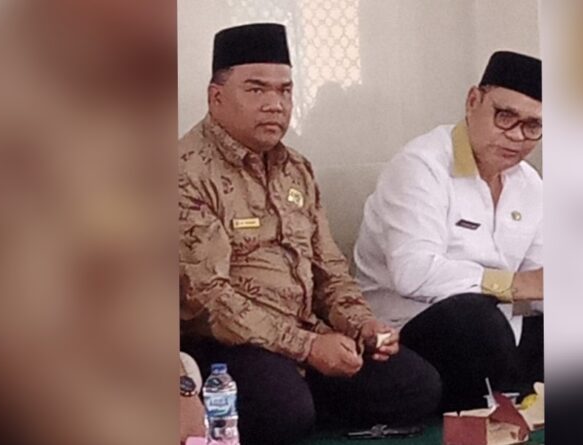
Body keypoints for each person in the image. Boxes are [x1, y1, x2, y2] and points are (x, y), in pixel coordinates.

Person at [178, 23, 440, 445]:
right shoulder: (185, 171)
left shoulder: (296, 168)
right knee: (283, 410)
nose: (274, 104)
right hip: (228, 344)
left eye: (285, 91)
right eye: (256, 89)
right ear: (216, 97)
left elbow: (329, 267)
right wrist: (308, 348)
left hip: (306, 332)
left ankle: (305, 395)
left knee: (417, 385)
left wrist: (361, 324)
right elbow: (207, 299)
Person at [354, 51, 544, 412]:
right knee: (474, 318)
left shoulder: (530, 184)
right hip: (409, 331)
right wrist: (515, 285)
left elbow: (540, 283)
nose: (517, 136)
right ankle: (504, 393)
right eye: (505, 117)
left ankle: (509, 392)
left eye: (532, 126)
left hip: (501, 327)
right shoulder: (420, 166)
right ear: (473, 101)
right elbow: (413, 272)